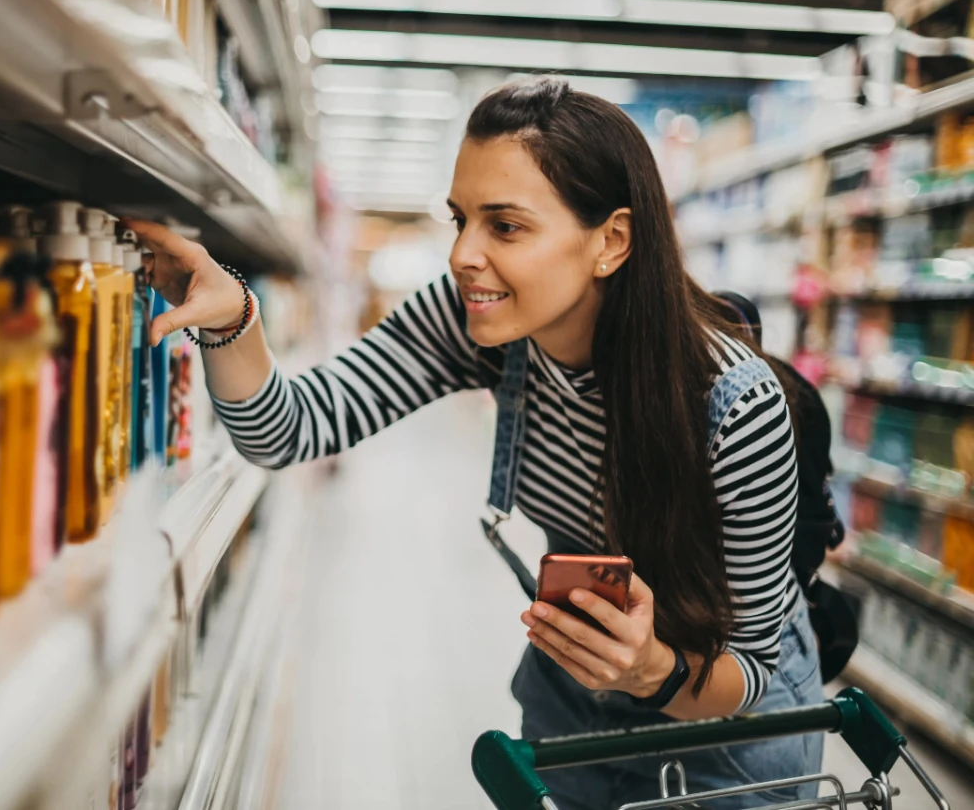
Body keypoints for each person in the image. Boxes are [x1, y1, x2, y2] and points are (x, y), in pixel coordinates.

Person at [126, 77, 823, 810]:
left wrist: (648, 668)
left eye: (506, 226)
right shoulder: (470, 317)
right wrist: (234, 314)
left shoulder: (734, 407)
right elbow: (290, 428)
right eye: (460, 219)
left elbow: (746, 669)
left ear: (611, 241)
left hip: (720, 730)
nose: (463, 254)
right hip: (576, 690)